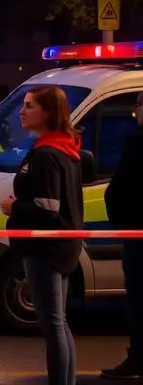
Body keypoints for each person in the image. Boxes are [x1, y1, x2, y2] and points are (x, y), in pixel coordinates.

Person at [0, 85, 83, 385]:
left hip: (45, 249)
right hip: (61, 246)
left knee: (53, 326)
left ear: (47, 112)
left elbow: (48, 207)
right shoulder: (63, 148)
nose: (21, 112)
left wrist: (15, 207)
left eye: (29, 106)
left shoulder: (47, 154)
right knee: (59, 323)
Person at [103, 91, 143, 379]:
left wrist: (120, 222)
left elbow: (119, 190)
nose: (135, 111)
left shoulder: (137, 143)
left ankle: (139, 359)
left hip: (139, 237)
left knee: (139, 300)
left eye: (138, 105)